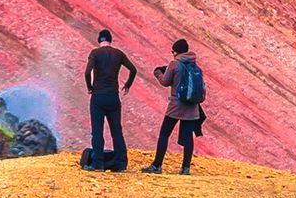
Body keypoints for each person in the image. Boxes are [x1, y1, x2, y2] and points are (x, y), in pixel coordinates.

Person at [146, 39, 204, 174]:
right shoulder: (195, 66)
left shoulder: (174, 64)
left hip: (176, 106)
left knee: (164, 134)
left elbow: (165, 82)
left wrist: (158, 73)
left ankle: (157, 165)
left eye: (173, 51)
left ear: (176, 51)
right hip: (192, 108)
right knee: (188, 137)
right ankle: (185, 168)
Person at [81, 28, 137, 170]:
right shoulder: (118, 54)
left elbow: (87, 72)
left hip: (98, 96)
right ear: (110, 40)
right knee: (116, 130)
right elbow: (133, 70)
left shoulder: (95, 53)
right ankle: (121, 164)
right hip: (113, 96)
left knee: (97, 131)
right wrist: (127, 85)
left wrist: (90, 87)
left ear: (99, 40)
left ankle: (98, 163)